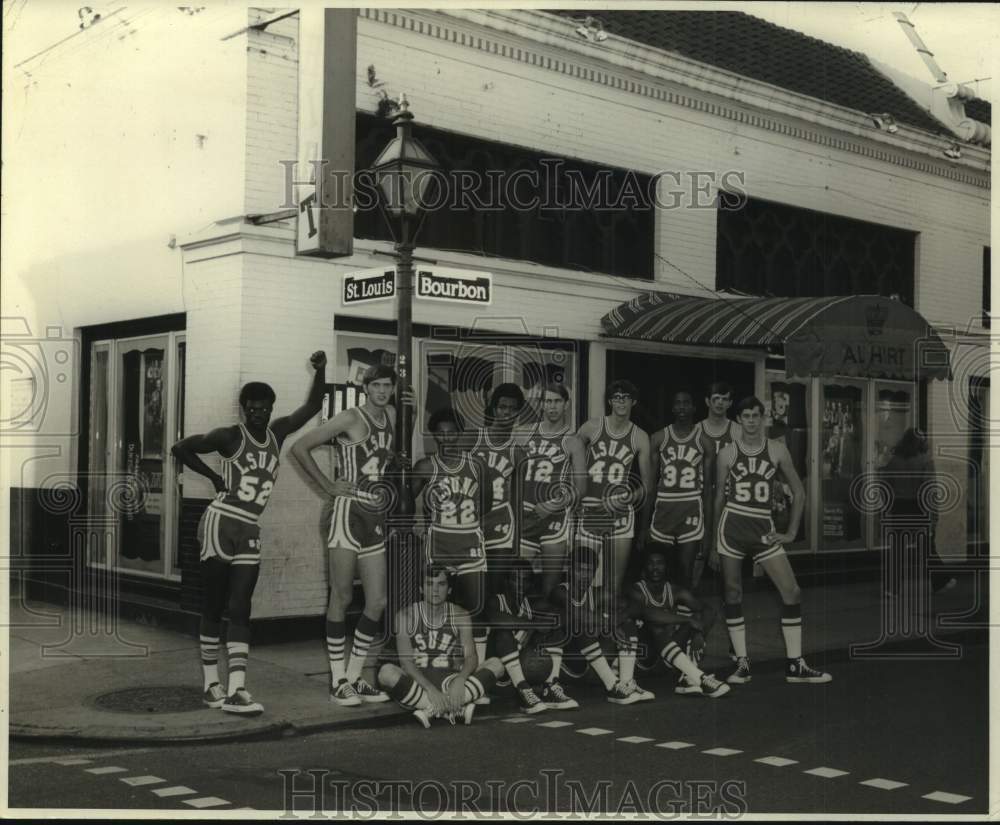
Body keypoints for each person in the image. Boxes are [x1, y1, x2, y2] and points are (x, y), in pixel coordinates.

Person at [171, 351, 327, 715]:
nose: (259, 413)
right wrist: (212, 477)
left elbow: (314, 403)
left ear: (272, 408)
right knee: (214, 603)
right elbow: (180, 447)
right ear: (243, 409)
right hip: (220, 521)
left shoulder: (278, 433)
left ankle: (237, 688)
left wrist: (319, 370)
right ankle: (212, 684)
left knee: (241, 605)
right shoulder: (228, 437)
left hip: (250, 527)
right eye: (253, 408)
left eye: (265, 408)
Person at [291, 364, 411, 707]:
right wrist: (328, 486)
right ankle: (337, 679)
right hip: (347, 511)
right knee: (342, 596)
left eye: (388, 385)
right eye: (377, 385)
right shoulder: (349, 418)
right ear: (366, 387)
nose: (383, 391)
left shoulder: (390, 416)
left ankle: (355, 675)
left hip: (374, 511)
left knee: (377, 601)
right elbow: (299, 447)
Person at [709, 396, 831, 686]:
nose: (751, 421)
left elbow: (799, 493)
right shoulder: (726, 453)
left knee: (792, 592)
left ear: (764, 418)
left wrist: (790, 533)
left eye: (756, 415)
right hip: (733, 527)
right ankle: (742, 662)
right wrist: (713, 543)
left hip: (764, 529)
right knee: (733, 594)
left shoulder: (777, 450)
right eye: (746, 416)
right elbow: (718, 499)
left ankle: (795, 664)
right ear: (738, 420)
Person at [412, 409, 491, 675]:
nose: (446, 438)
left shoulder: (477, 464)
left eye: (451, 432)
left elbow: (487, 504)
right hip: (439, 546)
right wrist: (419, 520)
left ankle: (475, 672)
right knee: (435, 609)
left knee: (476, 608)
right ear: (434, 435)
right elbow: (406, 500)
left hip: (470, 544)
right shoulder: (425, 466)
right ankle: (437, 667)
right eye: (440, 433)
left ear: (460, 434)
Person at [378, 565, 504, 728]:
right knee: (386, 673)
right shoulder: (406, 616)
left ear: (449, 589)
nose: (435, 590)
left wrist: (461, 679)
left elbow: (471, 657)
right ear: (421, 589)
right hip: (418, 685)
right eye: (430, 584)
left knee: (497, 665)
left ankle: (432, 710)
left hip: (450, 682)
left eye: (441, 584)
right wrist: (430, 689)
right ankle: (451, 709)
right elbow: (406, 663)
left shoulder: (460, 615)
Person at [575, 380, 654, 600]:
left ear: (633, 402)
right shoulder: (591, 427)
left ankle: (606, 628)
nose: (621, 401)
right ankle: (585, 630)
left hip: (620, 513)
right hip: (591, 508)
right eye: (617, 397)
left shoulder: (640, 436)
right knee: (582, 579)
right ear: (610, 401)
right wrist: (575, 499)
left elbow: (647, 485)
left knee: (613, 585)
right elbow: (570, 462)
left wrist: (628, 497)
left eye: (626, 397)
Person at [547, 546, 655, 705]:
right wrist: (609, 623)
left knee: (628, 622)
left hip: (593, 655)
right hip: (569, 657)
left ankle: (626, 683)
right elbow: (581, 616)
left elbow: (635, 606)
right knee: (581, 624)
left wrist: (617, 620)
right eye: (579, 570)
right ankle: (612, 686)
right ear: (569, 570)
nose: (584, 576)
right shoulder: (560, 592)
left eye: (589, 571)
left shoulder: (597, 593)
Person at [626, 548, 729, 698]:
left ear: (667, 566)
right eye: (651, 563)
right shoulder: (636, 590)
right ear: (644, 567)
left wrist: (699, 634)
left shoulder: (676, 591)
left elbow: (709, 610)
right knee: (659, 626)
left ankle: (688, 680)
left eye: (660, 563)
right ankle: (700, 678)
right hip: (644, 658)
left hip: (668, 656)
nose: (655, 568)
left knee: (693, 622)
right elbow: (648, 614)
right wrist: (688, 619)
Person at [643, 390, 715, 591]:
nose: (682, 407)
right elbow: (650, 487)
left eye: (686, 403)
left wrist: (708, 532)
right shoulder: (658, 438)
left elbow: (708, 491)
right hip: (664, 511)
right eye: (677, 403)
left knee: (685, 571)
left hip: (690, 510)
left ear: (693, 407)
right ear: (672, 408)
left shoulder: (705, 442)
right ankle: (658, 615)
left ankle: (682, 615)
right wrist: (643, 526)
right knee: (658, 570)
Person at [487, 559, 578, 714]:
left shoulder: (531, 603)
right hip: (498, 677)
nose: (521, 586)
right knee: (504, 633)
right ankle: (523, 690)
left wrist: (542, 624)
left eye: (525, 581)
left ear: (530, 584)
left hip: (523, 670)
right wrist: (534, 625)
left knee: (555, 632)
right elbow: (498, 620)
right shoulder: (496, 601)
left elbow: (562, 616)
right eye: (516, 580)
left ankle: (550, 688)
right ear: (507, 581)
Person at [520, 382, 580, 599]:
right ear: (541, 404)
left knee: (549, 591)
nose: (552, 407)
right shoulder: (524, 433)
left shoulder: (573, 441)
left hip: (555, 519)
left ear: (566, 405)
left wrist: (554, 504)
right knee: (516, 585)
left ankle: (543, 631)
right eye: (548, 401)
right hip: (526, 516)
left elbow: (581, 489)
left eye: (557, 401)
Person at [881, 428, 956, 596]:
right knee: (926, 548)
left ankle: (891, 588)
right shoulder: (925, 461)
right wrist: (934, 515)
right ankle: (940, 581)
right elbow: (929, 490)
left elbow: (884, 486)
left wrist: (888, 506)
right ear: (920, 443)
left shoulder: (894, 461)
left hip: (899, 507)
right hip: (917, 507)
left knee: (898, 550)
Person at [471, 383, 527, 596]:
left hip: (501, 524)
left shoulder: (518, 454)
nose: (507, 413)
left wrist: (517, 543)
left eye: (513, 409)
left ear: (518, 413)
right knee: (469, 589)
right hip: (470, 522)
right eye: (503, 407)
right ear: (494, 409)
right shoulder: (473, 439)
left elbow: (517, 501)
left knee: (493, 591)